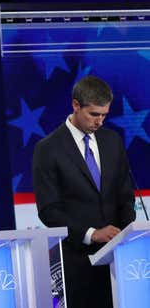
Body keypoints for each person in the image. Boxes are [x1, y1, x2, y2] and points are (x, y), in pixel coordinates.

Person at [33, 76, 135, 308]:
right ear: (76, 105)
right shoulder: (47, 148)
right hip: (77, 263)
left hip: (119, 261)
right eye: (94, 114)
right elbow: (49, 210)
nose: (100, 122)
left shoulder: (112, 140)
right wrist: (92, 233)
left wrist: (125, 233)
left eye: (104, 115)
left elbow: (125, 194)